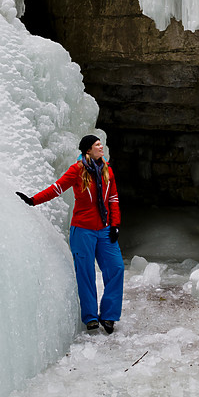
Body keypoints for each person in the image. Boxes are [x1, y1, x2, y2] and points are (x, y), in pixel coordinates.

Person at [16, 134, 123, 334]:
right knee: (86, 273)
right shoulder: (77, 170)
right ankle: (90, 317)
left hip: (105, 229)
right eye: (97, 144)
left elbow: (114, 198)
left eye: (100, 144)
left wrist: (115, 225)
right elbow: (57, 189)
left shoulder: (107, 170)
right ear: (88, 150)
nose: (101, 147)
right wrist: (33, 200)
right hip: (82, 231)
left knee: (116, 268)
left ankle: (109, 316)